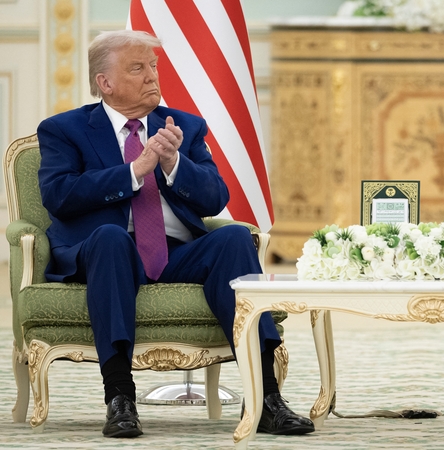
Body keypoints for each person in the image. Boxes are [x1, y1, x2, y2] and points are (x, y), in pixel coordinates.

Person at [36, 30, 315, 438]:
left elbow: (215, 198)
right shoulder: (65, 130)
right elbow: (58, 196)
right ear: (105, 82)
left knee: (235, 237)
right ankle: (120, 399)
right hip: (106, 253)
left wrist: (172, 163)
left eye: (153, 66)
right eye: (138, 68)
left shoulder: (183, 126)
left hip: (175, 253)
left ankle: (268, 399)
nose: (152, 76)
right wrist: (136, 170)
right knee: (112, 236)